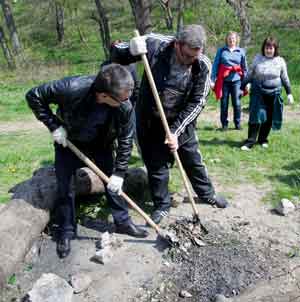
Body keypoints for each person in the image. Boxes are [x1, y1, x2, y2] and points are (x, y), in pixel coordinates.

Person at [25, 63, 148, 259]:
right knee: (65, 187)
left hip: (102, 144)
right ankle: (66, 230)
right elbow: (34, 95)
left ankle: (123, 222)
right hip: (69, 142)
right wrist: (54, 126)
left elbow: (126, 139)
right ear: (105, 95)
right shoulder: (72, 88)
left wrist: (119, 173)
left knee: (113, 184)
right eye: (122, 98)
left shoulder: (124, 106)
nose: (127, 102)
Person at [111, 25, 229, 225]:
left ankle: (206, 193)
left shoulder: (202, 64)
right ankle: (162, 205)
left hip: (180, 119)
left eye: (195, 56)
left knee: (191, 158)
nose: (192, 61)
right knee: (156, 165)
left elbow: (198, 101)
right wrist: (130, 48)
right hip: (150, 118)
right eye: (187, 56)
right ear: (177, 45)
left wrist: (175, 131)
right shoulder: (156, 44)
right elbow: (117, 55)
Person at [240, 36, 294, 151]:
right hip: (258, 93)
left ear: (275, 49)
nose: (268, 50)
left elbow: (285, 78)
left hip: (274, 94)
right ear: (263, 48)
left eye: (271, 48)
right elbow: (250, 73)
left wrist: (289, 93)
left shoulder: (280, 61)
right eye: (266, 48)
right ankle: (250, 141)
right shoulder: (258, 58)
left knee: (268, 118)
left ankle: (263, 139)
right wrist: (242, 86)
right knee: (255, 117)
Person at [211, 31, 248, 130]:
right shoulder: (221, 51)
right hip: (223, 80)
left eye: (233, 38)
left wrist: (247, 82)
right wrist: (212, 80)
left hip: (237, 80)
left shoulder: (241, 51)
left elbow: (244, 68)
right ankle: (224, 124)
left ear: (236, 39)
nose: (231, 40)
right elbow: (215, 65)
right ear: (226, 39)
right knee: (224, 103)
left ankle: (237, 123)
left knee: (237, 102)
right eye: (229, 38)